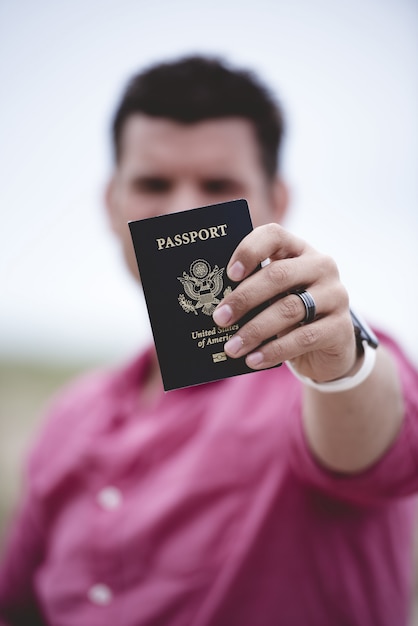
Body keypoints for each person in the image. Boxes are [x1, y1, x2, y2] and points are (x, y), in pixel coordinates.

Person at [0, 55, 417, 626]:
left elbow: (380, 444)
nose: (182, 209)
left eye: (218, 185)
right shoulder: (72, 415)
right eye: (153, 184)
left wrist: (342, 364)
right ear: (110, 204)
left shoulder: (325, 365)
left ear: (277, 202)